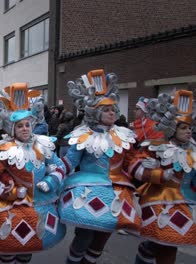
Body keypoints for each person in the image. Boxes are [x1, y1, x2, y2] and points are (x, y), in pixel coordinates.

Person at [59, 69, 141, 264]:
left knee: (103, 237)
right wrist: (54, 172)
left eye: (113, 109)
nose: (111, 112)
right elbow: (71, 160)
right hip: (89, 190)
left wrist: (149, 170)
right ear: (95, 112)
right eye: (106, 109)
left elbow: (131, 163)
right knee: (85, 236)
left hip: (116, 191)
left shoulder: (124, 135)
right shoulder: (83, 134)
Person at [0, 83, 66, 264]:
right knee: (9, 248)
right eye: (20, 126)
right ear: (12, 129)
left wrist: (51, 181)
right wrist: (10, 193)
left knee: (29, 248)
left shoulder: (43, 144)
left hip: (40, 203)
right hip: (11, 207)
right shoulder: (3, 149)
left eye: (27, 124)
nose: (25, 128)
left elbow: (59, 166)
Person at [130, 90, 196, 264]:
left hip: (187, 202)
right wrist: (160, 174)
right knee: (166, 243)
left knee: (167, 243)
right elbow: (135, 167)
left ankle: (145, 254)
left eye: (190, 127)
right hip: (161, 201)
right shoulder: (156, 147)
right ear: (172, 129)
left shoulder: (193, 150)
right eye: (183, 128)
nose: (188, 131)